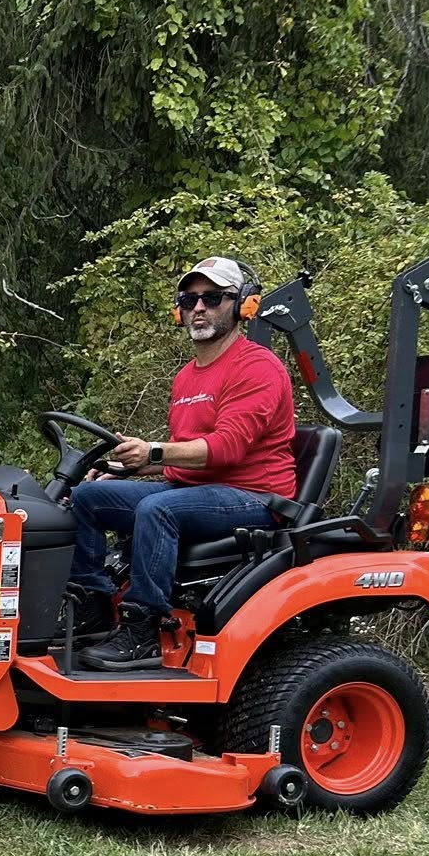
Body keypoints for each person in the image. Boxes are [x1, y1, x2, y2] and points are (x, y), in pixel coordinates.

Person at [69, 256, 296, 670]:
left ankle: (143, 631)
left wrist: (153, 451)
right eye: (189, 299)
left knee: (157, 509)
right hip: (200, 489)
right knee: (87, 496)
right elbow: (189, 455)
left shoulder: (258, 367)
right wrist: (132, 467)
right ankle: (93, 606)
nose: (199, 308)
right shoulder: (187, 376)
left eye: (212, 297)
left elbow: (225, 449)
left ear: (243, 305)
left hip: (256, 497)